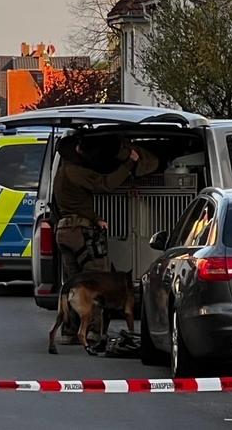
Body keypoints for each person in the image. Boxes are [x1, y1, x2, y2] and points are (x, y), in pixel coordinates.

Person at [52, 135, 141, 350]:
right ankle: (93, 334)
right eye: (82, 147)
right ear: (76, 150)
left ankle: (69, 331)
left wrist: (94, 217)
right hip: (80, 232)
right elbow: (106, 184)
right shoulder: (76, 171)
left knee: (74, 283)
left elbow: (71, 204)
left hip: (63, 231)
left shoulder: (60, 173)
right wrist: (130, 162)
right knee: (95, 284)